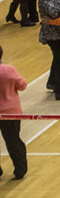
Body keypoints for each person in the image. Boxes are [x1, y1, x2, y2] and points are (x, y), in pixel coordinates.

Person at [0, 45, 27, 179]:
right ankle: (20, 169)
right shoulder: (8, 69)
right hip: (11, 111)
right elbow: (22, 85)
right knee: (13, 140)